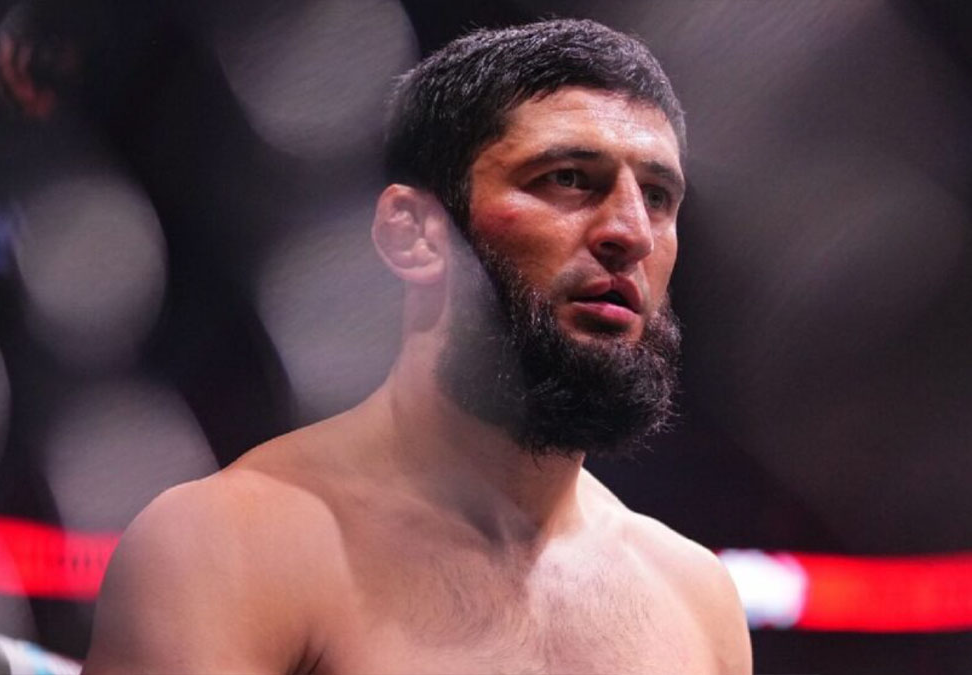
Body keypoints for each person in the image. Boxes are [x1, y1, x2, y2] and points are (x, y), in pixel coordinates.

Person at [83, 18, 751, 675]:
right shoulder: (233, 547)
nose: (631, 232)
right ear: (414, 233)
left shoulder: (695, 599)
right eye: (568, 178)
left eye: (657, 196)